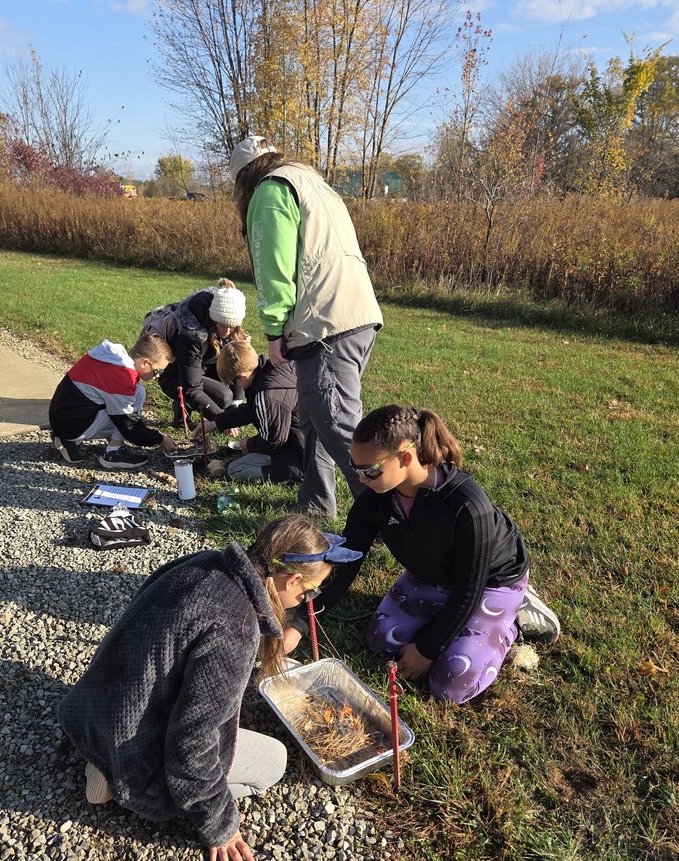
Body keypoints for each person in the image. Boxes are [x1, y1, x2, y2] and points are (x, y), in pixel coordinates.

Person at [57, 515, 361, 861]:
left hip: (92, 706)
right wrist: (220, 824)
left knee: (275, 668)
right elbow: (192, 742)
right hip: (130, 747)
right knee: (274, 761)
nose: (306, 600)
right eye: (309, 592)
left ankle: (106, 752)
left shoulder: (207, 561)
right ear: (291, 579)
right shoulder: (237, 626)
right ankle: (112, 774)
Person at [286, 406, 560, 704]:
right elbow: (347, 559)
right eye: (356, 469)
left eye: (370, 470)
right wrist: (300, 625)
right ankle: (449, 618)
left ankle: (516, 617)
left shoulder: (468, 506)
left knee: (451, 683)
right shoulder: (376, 499)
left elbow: (469, 590)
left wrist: (428, 649)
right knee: (382, 641)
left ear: (405, 457)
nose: (362, 479)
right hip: (433, 573)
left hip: (488, 582)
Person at [229, 136, 383, 517]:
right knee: (315, 415)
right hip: (357, 312)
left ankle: (386, 515)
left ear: (244, 178)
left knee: (335, 421)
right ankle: (315, 503)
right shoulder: (312, 182)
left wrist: (273, 331)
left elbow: (274, 270)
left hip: (326, 321)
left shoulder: (270, 191)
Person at [48, 332, 179, 470]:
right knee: (130, 404)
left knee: (137, 392)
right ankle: (113, 453)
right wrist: (161, 439)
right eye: (157, 372)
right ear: (145, 362)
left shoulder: (110, 357)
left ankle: (69, 440)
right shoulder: (122, 377)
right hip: (71, 426)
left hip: (63, 417)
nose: (156, 377)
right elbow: (129, 426)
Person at [142, 278, 248, 430]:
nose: (226, 332)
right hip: (176, 376)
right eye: (222, 326)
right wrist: (223, 421)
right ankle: (182, 407)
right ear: (213, 319)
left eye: (232, 327)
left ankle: (226, 413)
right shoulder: (191, 334)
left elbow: (238, 368)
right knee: (223, 397)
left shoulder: (230, 328)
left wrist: (235, 410)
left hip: (204, 367)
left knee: (236, 378)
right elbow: (192, 388)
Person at [194, 339, 305, 484]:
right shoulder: (273, 369)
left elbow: (273, 441)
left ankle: (287, 477)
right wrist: (216, 422)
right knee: (246, 451)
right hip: (308, 442)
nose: (236, 385)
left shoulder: (266, 395)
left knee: (235, 469)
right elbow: (251, 410)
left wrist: (248, 444)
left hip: (299, 456)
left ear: (243, 376)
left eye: (234, 382)